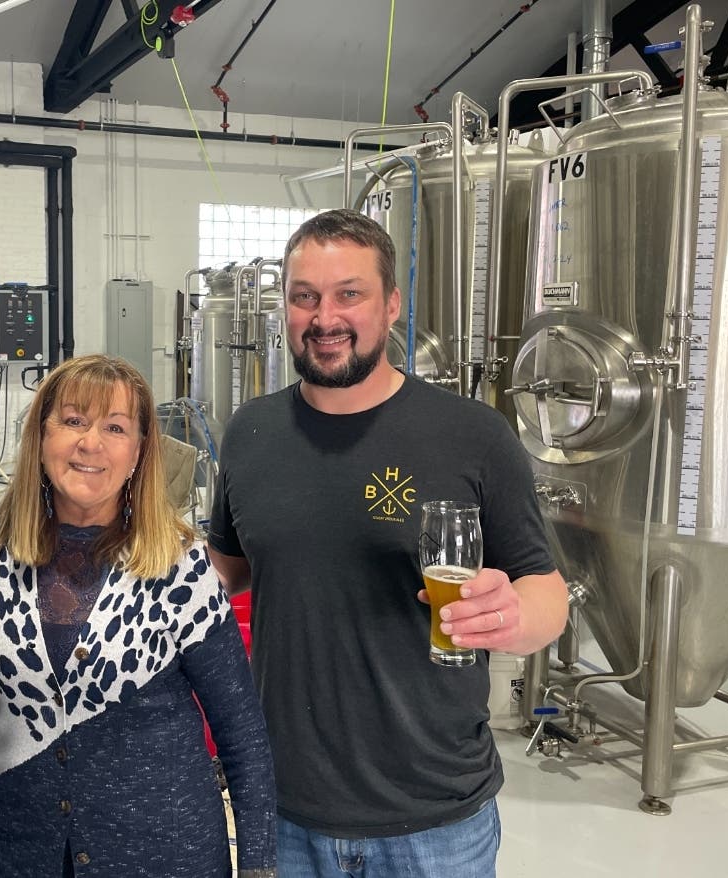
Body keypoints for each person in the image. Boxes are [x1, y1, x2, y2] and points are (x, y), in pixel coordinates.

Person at [207, 209, 568, 877]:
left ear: (391, 303)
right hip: (287, 807)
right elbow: (220, 571)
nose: (324, 318)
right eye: (303, 296)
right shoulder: (250, 432)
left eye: (349, 294)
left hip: (435, 815)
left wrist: (512, 618)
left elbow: (543, 588)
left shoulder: (471, 435)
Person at [0, 354, 276, 878]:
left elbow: (241, 731)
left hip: (164, 853)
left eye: (115, 427)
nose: (90, 443)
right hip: (24, 850)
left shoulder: (178, 566)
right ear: (40, 437)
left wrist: (257, 864)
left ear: (139, 451)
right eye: (72, 421)